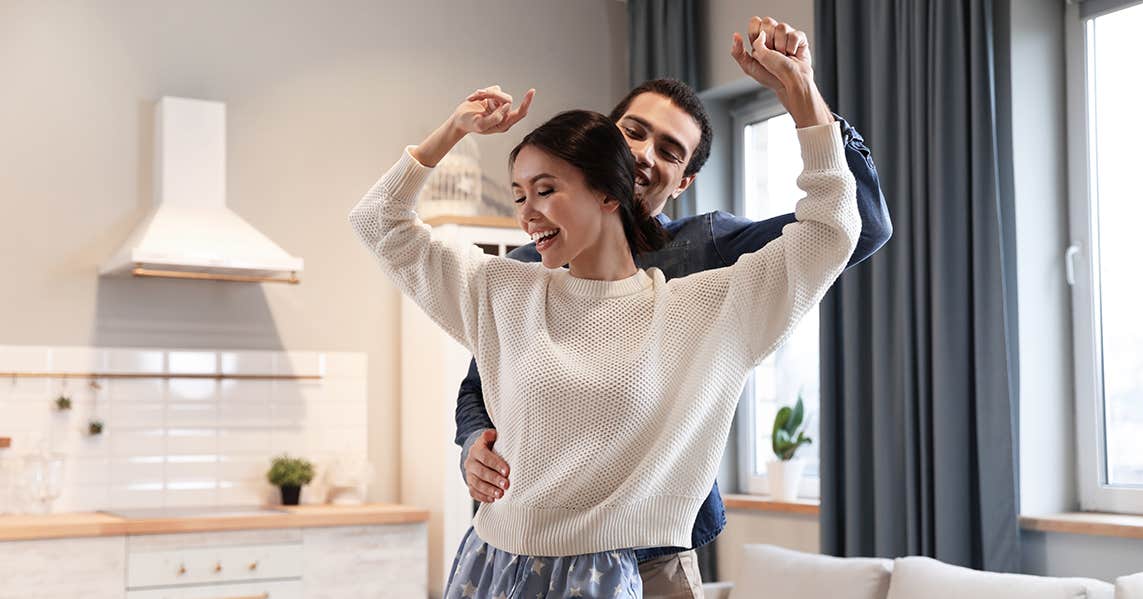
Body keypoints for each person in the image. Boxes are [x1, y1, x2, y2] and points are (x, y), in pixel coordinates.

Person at [350, 21, 862, 598]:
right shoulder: (505, 289)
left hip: (629, 570)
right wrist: (453, 131)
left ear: (609, 191)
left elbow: (834, 230)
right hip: (492, 561)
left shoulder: (708, 302)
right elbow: (379, 223)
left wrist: (800, 94)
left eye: (546, 190)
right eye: (520, 194)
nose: (527, 214)